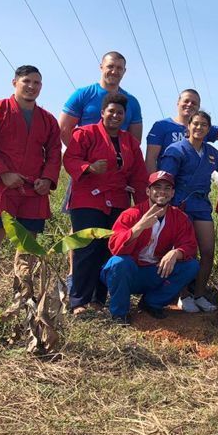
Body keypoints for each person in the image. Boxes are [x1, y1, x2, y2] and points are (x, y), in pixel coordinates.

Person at [0, 65, 62, 314]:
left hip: (34, 190)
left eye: (37, 83)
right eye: (27, 81)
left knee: (28, 244)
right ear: (15, 82)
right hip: (2, 187)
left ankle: (21, 295)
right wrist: (1, 173)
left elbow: (54, 152)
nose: (32, 86)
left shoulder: (48, 120)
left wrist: (47, 179)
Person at [63, 93, 148, 314]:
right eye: (111, 111)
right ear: (102, 113)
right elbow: (70, 159)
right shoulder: (85, 133)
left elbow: (138, 176)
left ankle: (98, 299)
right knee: (86, 249)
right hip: (87, 199)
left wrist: (142, 208)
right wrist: (88, 168)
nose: (116, 115)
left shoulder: (130, 142)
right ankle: (78, 301)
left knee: (109, 250)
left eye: (120, 113)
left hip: (119, 201)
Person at [101, 172, 199, 324]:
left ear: (172, 193)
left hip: (155, 271)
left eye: (167, 188)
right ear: (148, 191)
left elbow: (190, 245)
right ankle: (119, 313)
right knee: (118, 263)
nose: (162, 192)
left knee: (191, 266)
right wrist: (137, 228)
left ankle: (152, 303)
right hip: (129, 272)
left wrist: (176, 252)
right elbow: (114, 246)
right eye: (157, 187)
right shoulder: (131, 214)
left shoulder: (180, 217)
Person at [158, 111, 218, 313]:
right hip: (180, 204)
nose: (199, 128)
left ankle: (199, 294)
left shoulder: (212, 152)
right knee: (185, 251)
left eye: (204, 125)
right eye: (196, 123)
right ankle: (183, 295)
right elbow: (166, 179)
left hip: (202, 205)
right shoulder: (175, 149)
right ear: (189, 125)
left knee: (207, 251)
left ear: (208, 129)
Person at [144, 88, 218, 173]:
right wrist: (155, 185)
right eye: (186, 101)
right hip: (169, 184)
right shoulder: (162, 125)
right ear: (178, 103)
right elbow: (150, 158)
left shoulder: (203, 130)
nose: (189, 104)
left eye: (194, 103)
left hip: (196, 188)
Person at [59, 51, 142, 145]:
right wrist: (79, 154)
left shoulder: (132, 102)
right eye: (110, 66)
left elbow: (135, 141)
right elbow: (64, 130)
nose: (114, 71)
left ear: (124, 71)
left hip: (119, 158)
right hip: (86, 157)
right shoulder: (82, 94)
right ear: (101, 67)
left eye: (119, 68)